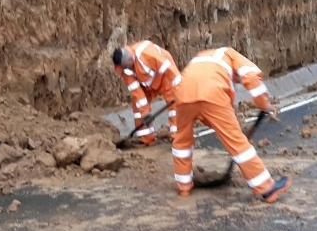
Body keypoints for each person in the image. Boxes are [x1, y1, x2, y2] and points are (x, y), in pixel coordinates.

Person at [169, 46, 291, 203]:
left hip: (182, 93)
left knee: (182, 142)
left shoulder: (203, 58)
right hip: (213, 92)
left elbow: (197, 96)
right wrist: (264, 105)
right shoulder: (231, 54)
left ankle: (184, 186)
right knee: (237, 143)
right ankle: (266, 189)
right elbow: (252, 78)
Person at [112, 40, 182, 146]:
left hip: (165, 78)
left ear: (131, 59)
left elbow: (169, 70)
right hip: (147, 83)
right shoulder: (124, 69)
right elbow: (136, 92)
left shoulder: (147, 54)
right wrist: (145, 113)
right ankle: (147, 137)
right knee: (137, 106)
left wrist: (179, 88)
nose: (129, 69)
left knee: (175, 107)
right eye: (127, 68)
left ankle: (178, 137)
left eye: (130, 66)